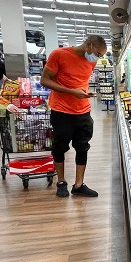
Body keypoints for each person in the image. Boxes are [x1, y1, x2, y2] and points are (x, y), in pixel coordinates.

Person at [40, 35, 107, 198]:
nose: (98, 58)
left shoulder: (91, 61)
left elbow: (80, 81)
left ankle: (79, 185)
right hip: (62, 111)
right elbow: (44, 80)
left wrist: (84, 93)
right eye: (98, 54)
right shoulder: (59, 55)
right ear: (89, 45)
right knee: (60, 147)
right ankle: (61, 182)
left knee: (82, 146)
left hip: (83, 111)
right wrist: (72, 92)